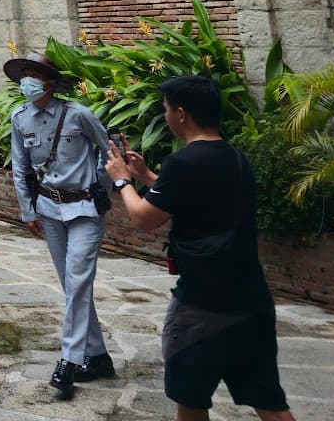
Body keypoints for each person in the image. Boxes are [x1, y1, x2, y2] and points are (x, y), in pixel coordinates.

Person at [106, 75, 294, 421]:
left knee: (191, 399)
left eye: (165, 110)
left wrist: (122, 180)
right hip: (251, 298)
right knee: (269, 402)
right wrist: (148, 177)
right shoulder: (236, 158)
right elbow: (194, 194)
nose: (165, 117)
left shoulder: (184, 162)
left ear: (180, 114)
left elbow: (145, 218)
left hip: (202, 304)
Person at [6, 51, 114, 401]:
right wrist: (28, 211)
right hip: (49, 209)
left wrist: (101, 187)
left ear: (50, 83)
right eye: (23, 74)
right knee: (73, 284)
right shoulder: (19, 117)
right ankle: (98, 357)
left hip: (84, 209)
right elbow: (20, 168)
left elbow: (107, 151)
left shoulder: (78, 114)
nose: (27, 82)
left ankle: (69, 360)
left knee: (79, 278)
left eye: (33, 75)